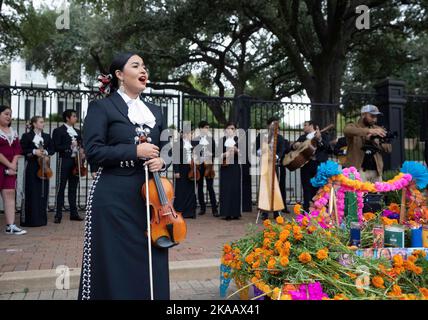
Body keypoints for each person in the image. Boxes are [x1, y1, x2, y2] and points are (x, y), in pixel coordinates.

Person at [78, 52, 170, 300]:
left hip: (151, 198)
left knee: (152, 256)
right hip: (113, 196)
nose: (144, 70)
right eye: (136, 65)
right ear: (119, 75)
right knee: (117, 261)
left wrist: (163, 160)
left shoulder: (155, 111)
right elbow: (94, 152)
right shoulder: (101, 107)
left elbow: (168, 148)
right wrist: (134, 150)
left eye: (145, 66)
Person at [20, 116, 54, 227]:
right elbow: (22, 150)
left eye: (43, 122)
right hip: (31, 167)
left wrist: (46, 152)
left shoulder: (47, 136)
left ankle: (41, 219)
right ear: (34, 124)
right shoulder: (27, 136)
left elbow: (52, 150)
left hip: (44, 167)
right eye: (41, 122)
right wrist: (34, 151)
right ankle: (30, 220)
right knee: (31, 192)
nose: (43, 124)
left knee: (43, 192)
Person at [344, 105, 392, 182]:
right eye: (372, 116)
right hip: (358, 170)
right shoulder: (353, 126)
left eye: (376, 116)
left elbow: (388, 149)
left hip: (376, 171)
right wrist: (369, 131)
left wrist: (376, 142)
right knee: (359, 194)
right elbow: (347, 130)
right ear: (363, 115)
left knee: (378, 194)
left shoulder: (378, 129)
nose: (375, 119)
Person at [52, 109, 84, 223]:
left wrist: (81, 151)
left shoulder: (78, 131)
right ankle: (58, 214)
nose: (76, 118)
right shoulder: (58, 131)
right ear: (67, 118)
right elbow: (56, 147)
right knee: (61, 187)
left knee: (73, 188)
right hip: (65, 160)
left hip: (76, 162)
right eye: (74, 116)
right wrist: (69, 145)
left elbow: (83, 145)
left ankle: (74, 213)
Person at [293, 120, 331, 212]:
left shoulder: (323, 135)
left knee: (320, 188)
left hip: (319, 166)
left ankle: (320, 211)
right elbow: (292, 147)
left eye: (305, 125)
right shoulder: (303, 137)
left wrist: (319, 139)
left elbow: (328, 148)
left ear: (312, 126)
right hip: (306, 166)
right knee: (306, 188)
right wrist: (295, 145)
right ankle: (307, 211)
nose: (303, 127)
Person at [0, 105, 26, 235]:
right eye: (6, 114)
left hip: (10, 166)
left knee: (10, 193)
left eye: (10, 114)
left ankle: (10, 226)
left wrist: (13, 164)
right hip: (2, 166)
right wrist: (9, 165)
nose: (9, 117)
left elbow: (17, 149)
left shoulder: (13, 132)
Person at [255, 117, 286, 220]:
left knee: (275, 187)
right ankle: (264, 211)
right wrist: (264, 153)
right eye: (272, 125)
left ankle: (277, 211)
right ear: (268, 125)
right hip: (264, 165)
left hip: (275, 165)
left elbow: (282, 151)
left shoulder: (280, 138)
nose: (274, 127)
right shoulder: (261, 136)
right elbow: (256, 150)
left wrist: (276, 157)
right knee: (265, 187)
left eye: (275, 125)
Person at [194, 120, 218, 217]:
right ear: (200, 128)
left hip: (208, 165)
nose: (207, 129)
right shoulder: (196, 139)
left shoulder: (211, 139)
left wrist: (211, 154)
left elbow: (216, 152)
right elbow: (194, 152)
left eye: (208, 127)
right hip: (199, 165)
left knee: (210, 187)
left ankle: (214, 209)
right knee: (199, 187)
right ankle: (202, 208)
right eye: (205, 127)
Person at [219, 122, 241, 220]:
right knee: (226, 189)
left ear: (235, 130)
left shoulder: (238, 140)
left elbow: (243, 155)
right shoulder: (222, 140)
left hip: (235, 167)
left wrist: (236, 150)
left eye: (232, 128)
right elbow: (218, 155)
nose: (230, 130)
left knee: (235, 189)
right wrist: (225, 154)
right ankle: (226, 213)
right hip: (225, 167)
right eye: (228, 128)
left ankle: (235, 213)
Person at [173, 129, 197, 219]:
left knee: (190, 191)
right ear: (182, 134)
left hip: (191, 169)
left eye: (190, 133)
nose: (189, 135)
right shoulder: (177, 144)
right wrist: (176, 171)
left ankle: (190, 212)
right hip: (181, 169)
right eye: (187, 133)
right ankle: (180, 211)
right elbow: (175, 158)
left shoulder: (194, 144)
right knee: (181, 191)